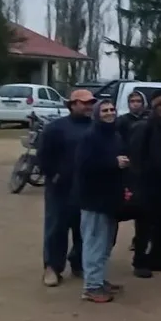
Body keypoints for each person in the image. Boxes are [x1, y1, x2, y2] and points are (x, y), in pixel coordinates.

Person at [37, 89, 95, 287]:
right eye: (84, 103)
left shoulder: (96, 127)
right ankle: (52, 267)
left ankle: (78, 263)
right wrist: (54, 175)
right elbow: (43, 155)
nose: (88, 106)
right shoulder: (56, 128)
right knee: (56, 228)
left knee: (84, 229)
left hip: (86, 188)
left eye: (90, 103)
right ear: (72, 105)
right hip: (60, 188)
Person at [74, 99, 127, 303]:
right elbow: (84, 166)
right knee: (94, 242)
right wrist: (114, 163)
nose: (109, 113)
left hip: (110, 198)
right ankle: (91, 287)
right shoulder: (90, 137)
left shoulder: (114, 135)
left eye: (112, 109)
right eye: (104, 110)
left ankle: (99, 279)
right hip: (93, 199)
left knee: (105, 244)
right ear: (97, 114)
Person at [127, 88, 161, 279]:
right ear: (154, 106)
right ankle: (140, 261)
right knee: (145, 225)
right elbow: (136, 156)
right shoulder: (144, 127)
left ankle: (158, 257)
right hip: (148, 184)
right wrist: (138, 183)